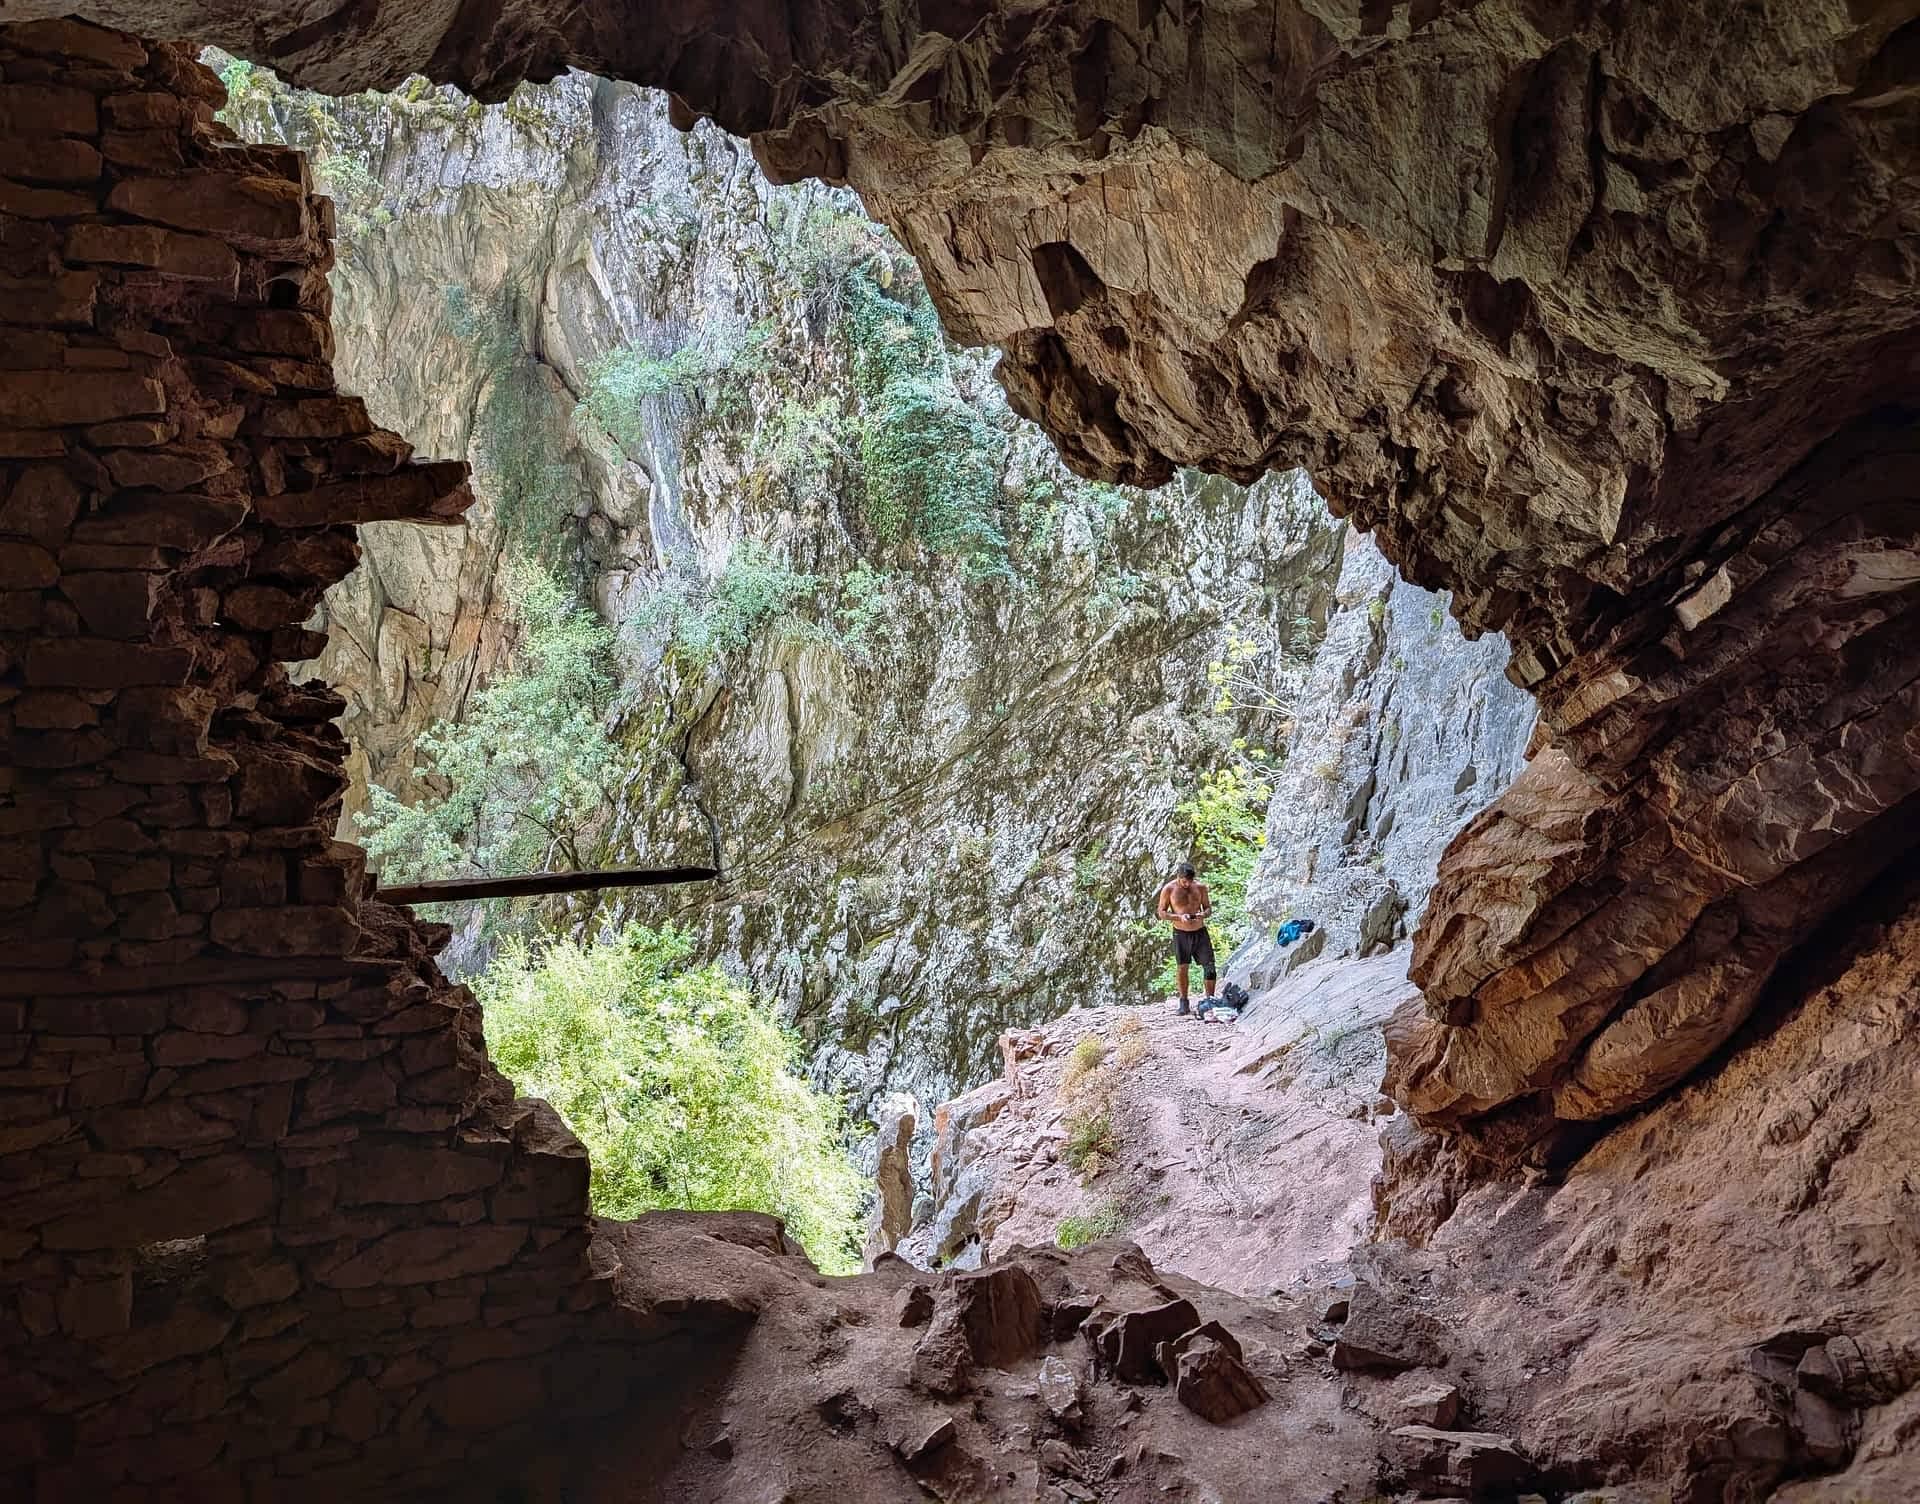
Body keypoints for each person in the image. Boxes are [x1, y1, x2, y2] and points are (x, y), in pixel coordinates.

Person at [1156, 863, 1216, 1016]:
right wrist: (1178, 917)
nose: (1187, 884)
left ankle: (1211, 1000)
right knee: (1182, 967)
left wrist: (1203, 914)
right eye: (1184, 882)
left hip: (1200, 932)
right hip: (1181, 932)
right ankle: (1183, 1002)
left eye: (1190, 881)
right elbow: (1161, 912)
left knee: (1209, 966)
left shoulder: (1200, 887)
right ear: (1178, 877)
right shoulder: (1169, 889)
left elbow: (1208, 908)